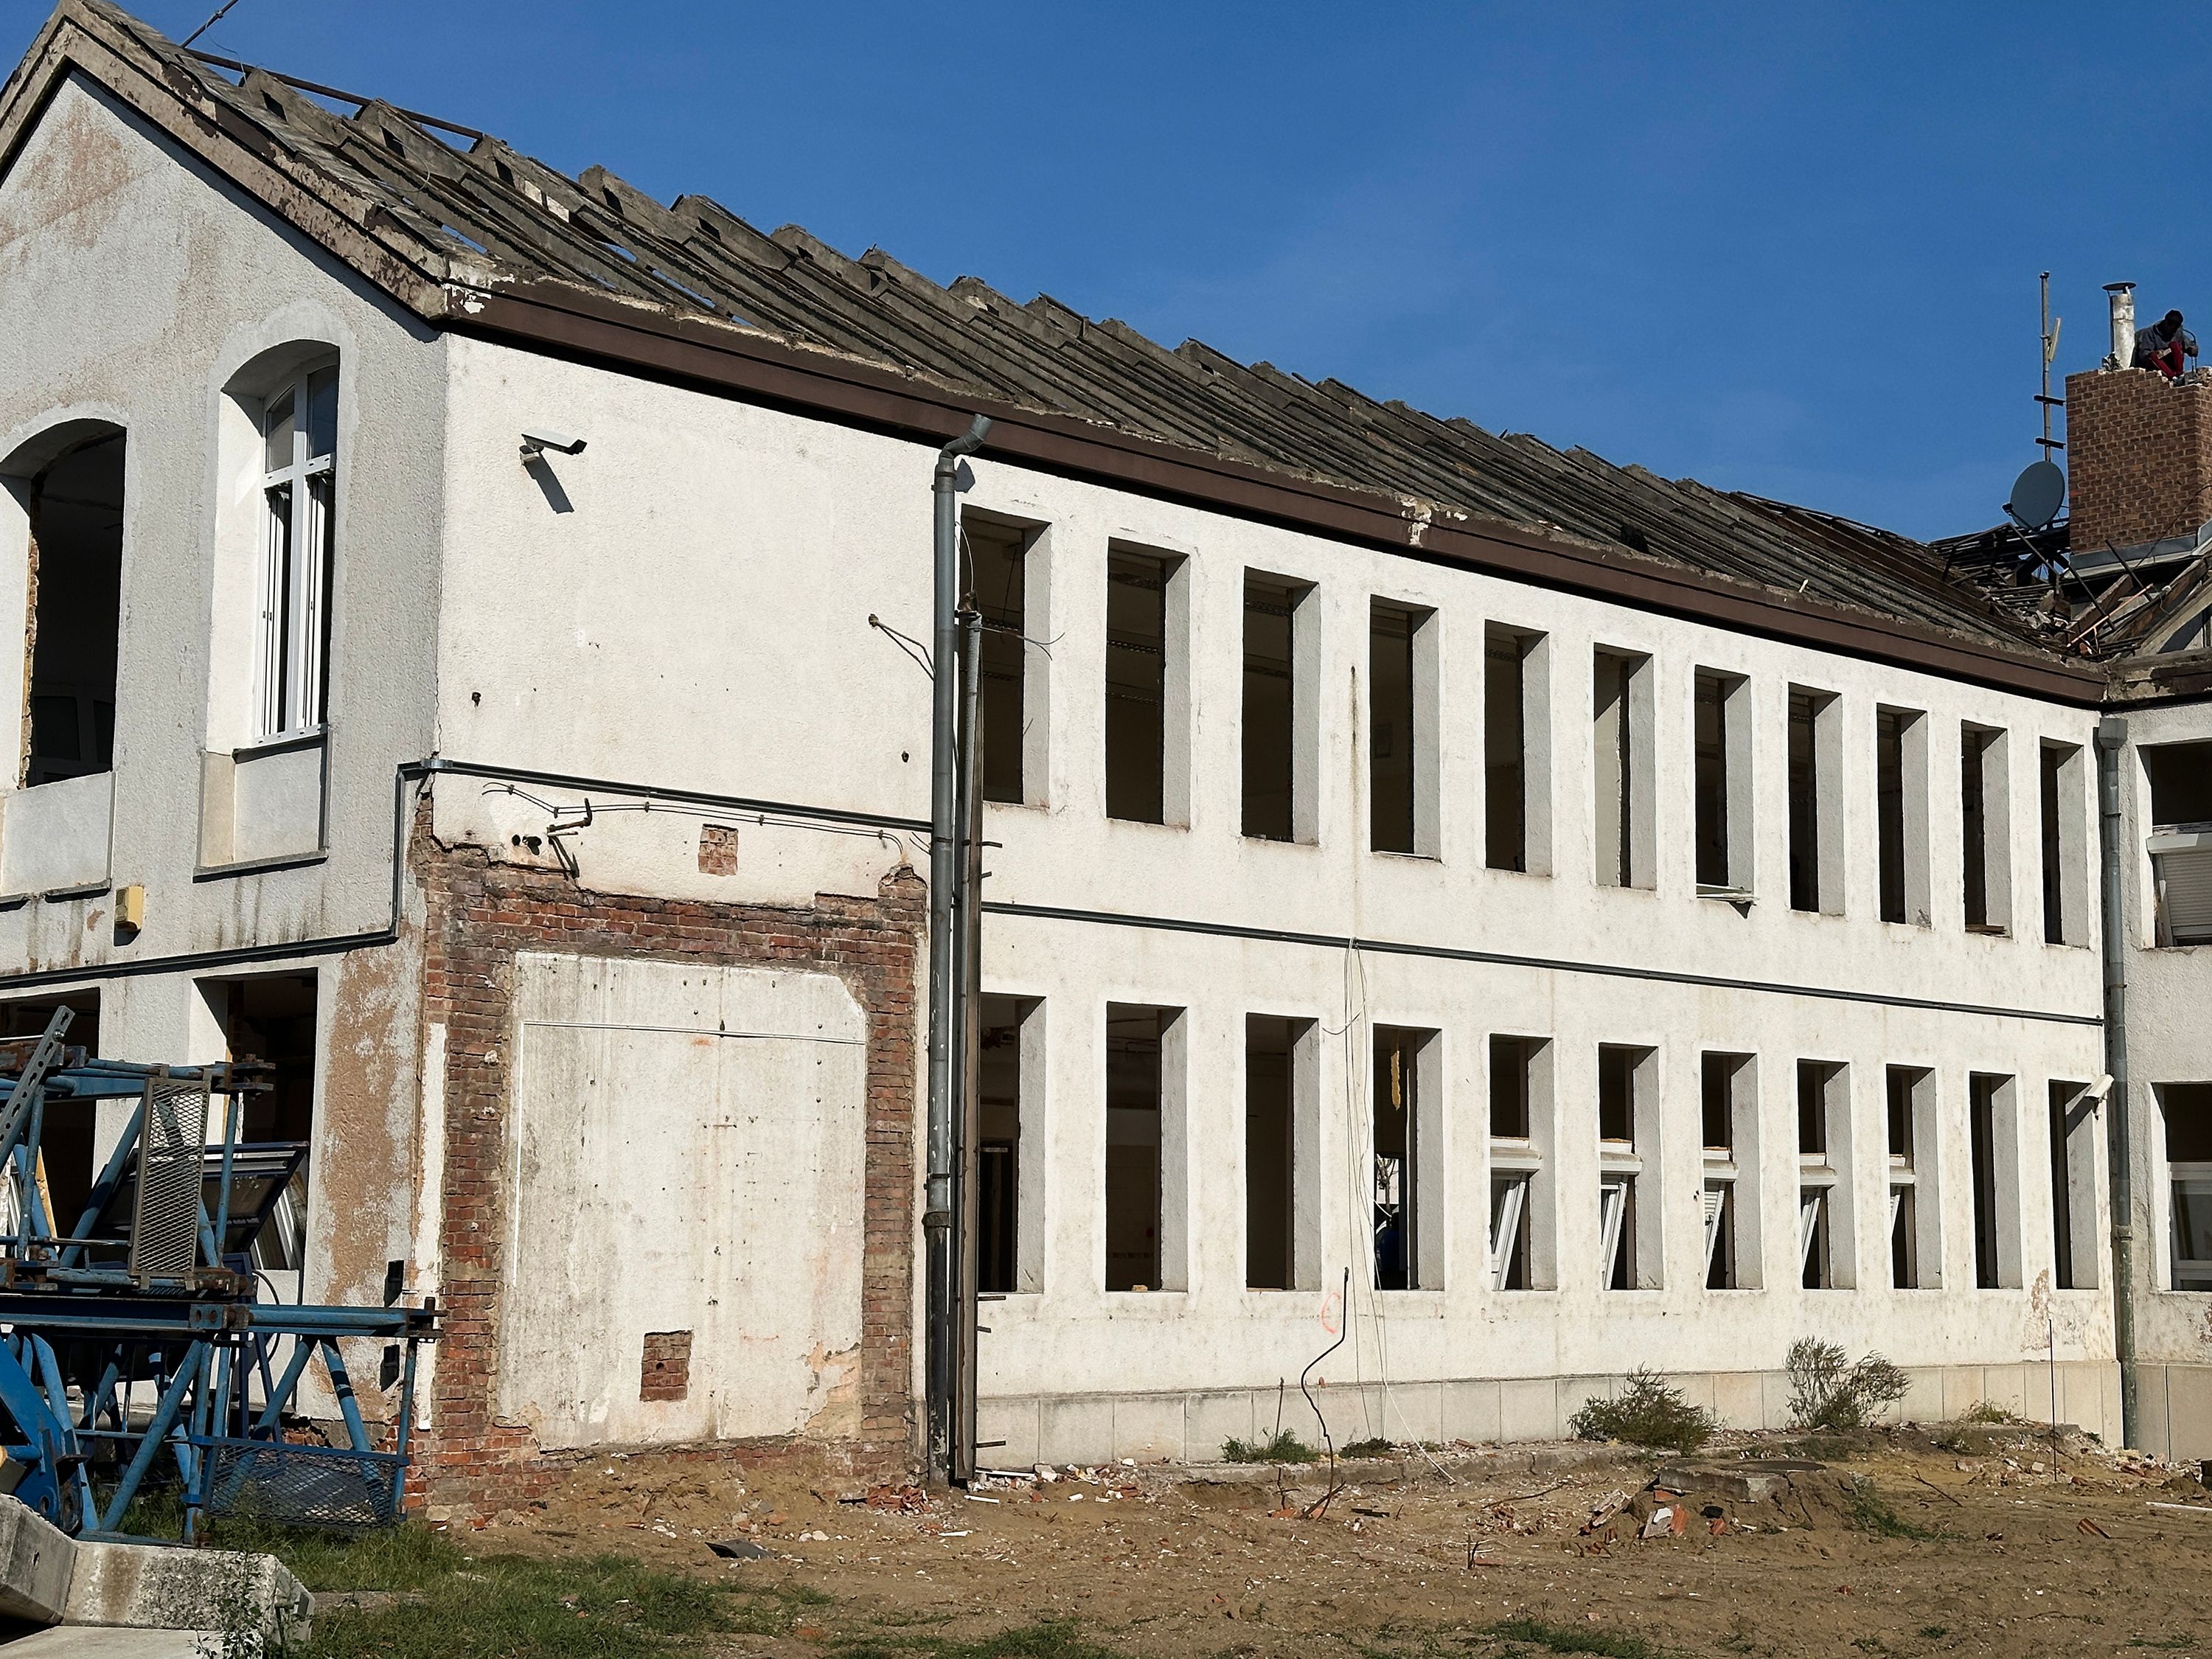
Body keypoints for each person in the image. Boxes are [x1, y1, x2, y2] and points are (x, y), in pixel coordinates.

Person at [2135, 310, 2199, 378]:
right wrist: (2158, 352)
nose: (2172, 330)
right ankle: (2172, 377)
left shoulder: (2178, 333)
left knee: (2175, 345)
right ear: (2165, 323)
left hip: (2172, 364)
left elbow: (2190, 346)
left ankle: (2180, 375)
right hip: (2157, 365)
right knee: (2153, 356)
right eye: (2170, 327)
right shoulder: (2150, 333)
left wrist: (2193, 349)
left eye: (2175, 328)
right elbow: (2144, 354)